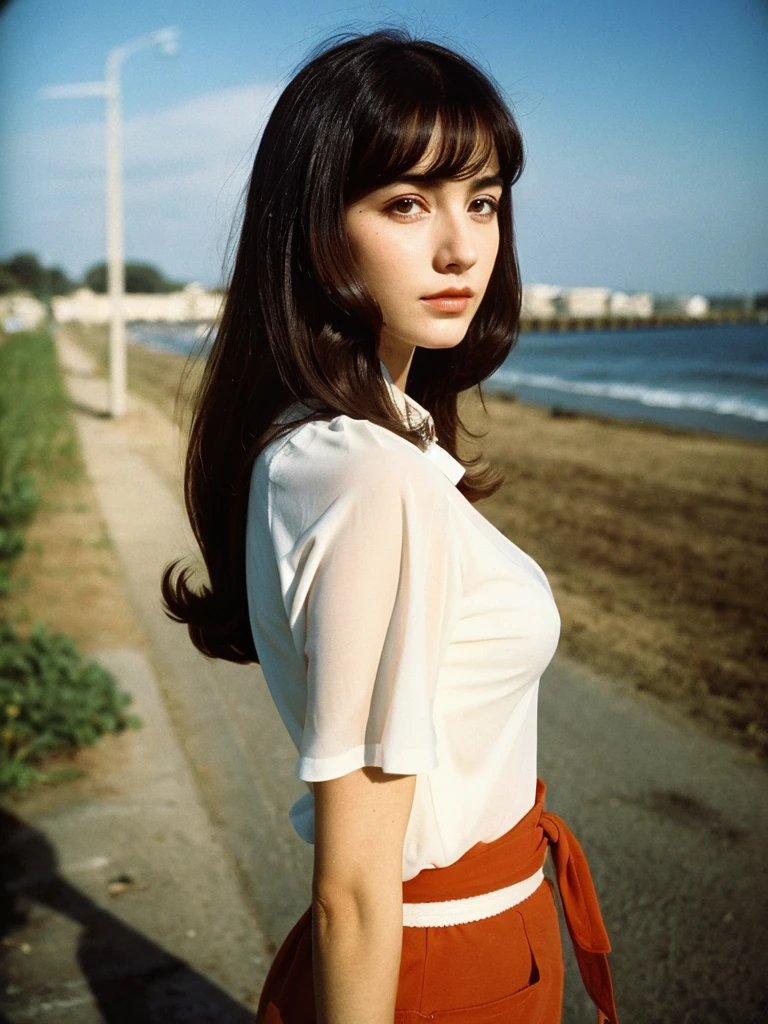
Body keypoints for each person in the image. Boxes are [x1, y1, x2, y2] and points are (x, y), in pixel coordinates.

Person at [162, 28, 619, 1024]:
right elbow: (355, 890)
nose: (463, 247)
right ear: (316, 225)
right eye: (407, 202)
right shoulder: (368, 475)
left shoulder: (340, 445)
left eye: (484, 201)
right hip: (445, 967)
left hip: (487, 939)